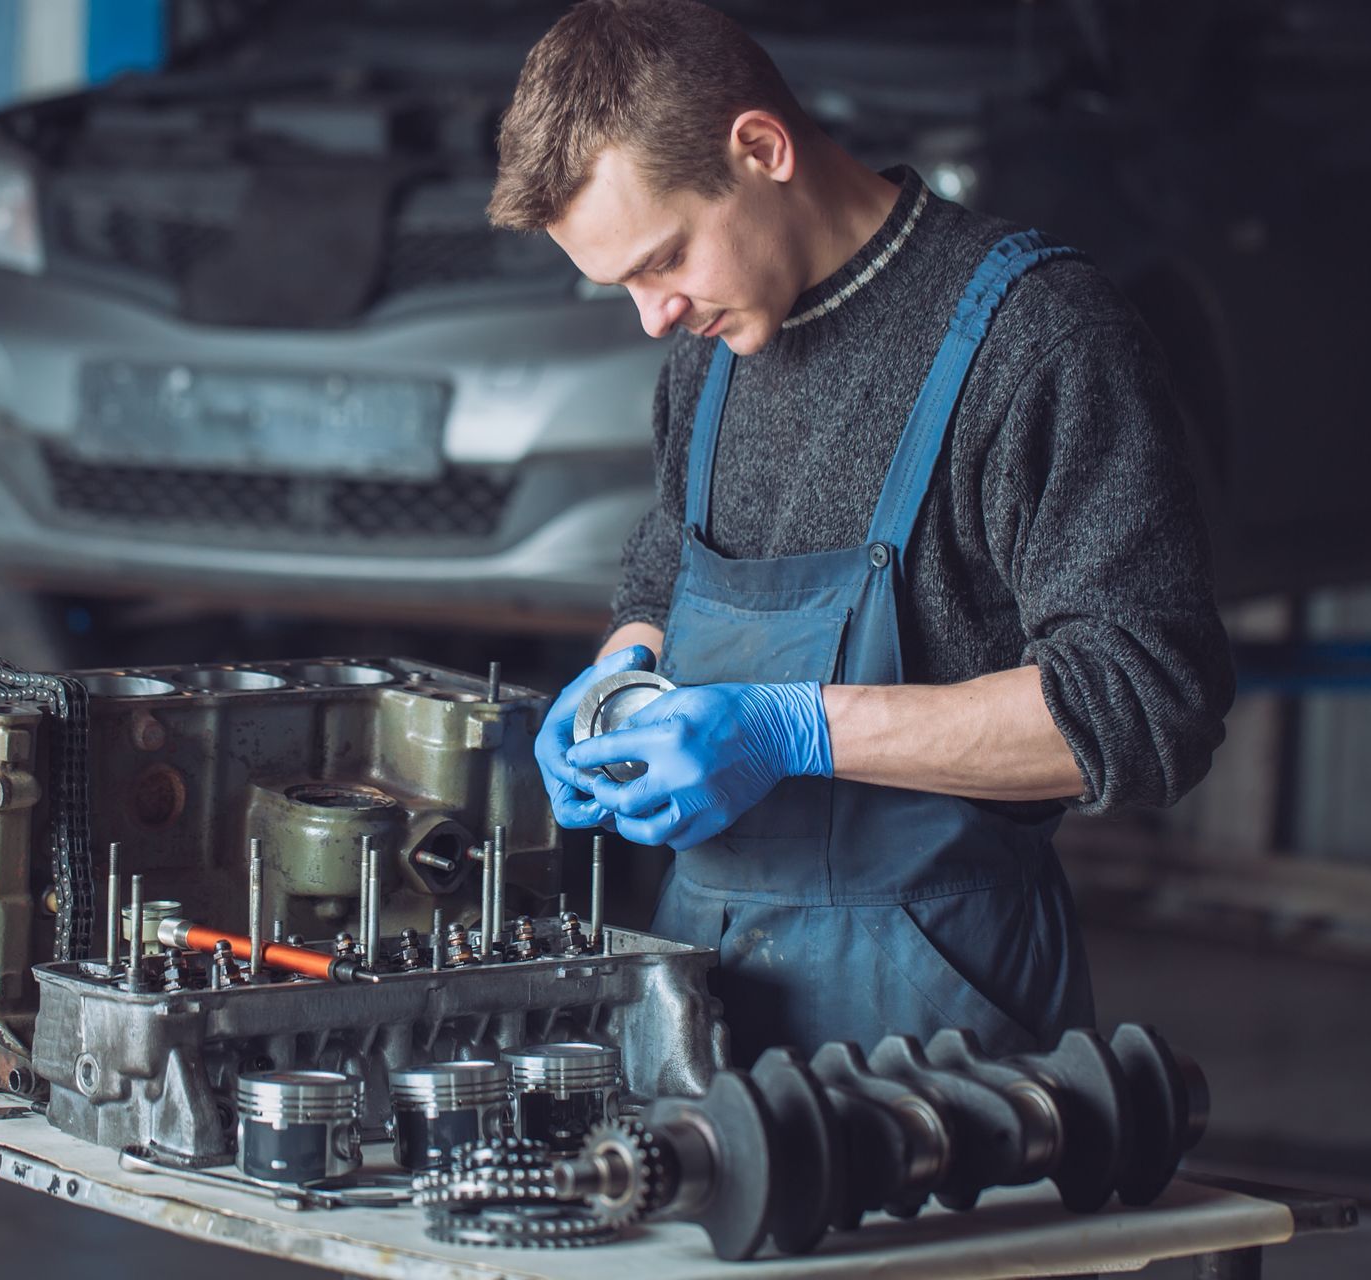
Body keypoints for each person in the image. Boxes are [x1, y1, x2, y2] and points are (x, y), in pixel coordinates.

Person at [487, 0, 1234, 1065]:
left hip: (937, 1016)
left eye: (663, 261)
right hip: (704, 982)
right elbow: (664, 570)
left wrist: (789, 730)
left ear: (760, 148)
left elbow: (1143, 707)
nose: (651, 314)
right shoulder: (708, 352)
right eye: (622, 285)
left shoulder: (1039, 343)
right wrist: (618, 680)